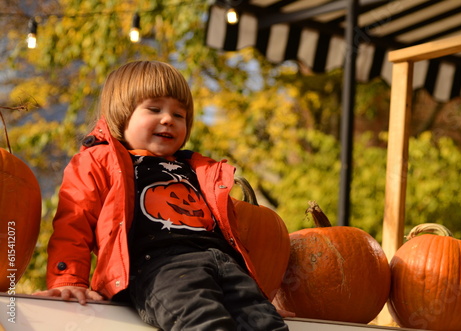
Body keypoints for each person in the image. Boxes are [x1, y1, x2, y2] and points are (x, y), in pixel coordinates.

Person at [35, 60, 289, 330]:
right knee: (203, 321)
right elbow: (74, 221)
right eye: (154, 109)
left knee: (267, 325)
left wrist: (260, 298)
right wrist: (69, 279)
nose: (168, 119)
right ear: (122, 115)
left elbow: (233, 237)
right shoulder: (101, 161)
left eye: (179, 115)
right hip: (160, 267)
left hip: (223, 263)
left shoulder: (197, 169)